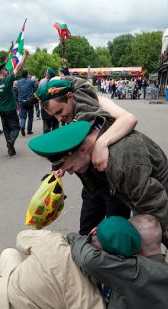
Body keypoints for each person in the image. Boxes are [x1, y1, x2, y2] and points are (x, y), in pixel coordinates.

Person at [29, 120, 168, 283]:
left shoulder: (123, 163)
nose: (71, 173)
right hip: (138, 197)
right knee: (134, 252)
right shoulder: (88, 144)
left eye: (71, 167)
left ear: (84, 149)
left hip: (166, 208)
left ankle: (155, 291)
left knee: (147, 255)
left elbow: (155, 203)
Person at [35, 78, 136, 234]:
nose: (59, 119)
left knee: (116, 234)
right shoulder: (68, 114)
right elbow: (68, 149)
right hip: (91, 186)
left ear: (70, 96)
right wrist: (60, 167)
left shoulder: (96, 103)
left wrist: (101, 142)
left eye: (60, 112)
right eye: (54, 115)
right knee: (86, 231)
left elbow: (129, 119)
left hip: (114, 186)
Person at [0, 49, 29, 157]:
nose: (5, 70)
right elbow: (18, 67)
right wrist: (25, 55)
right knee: (16, 128)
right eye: (4, 69)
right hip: (11, 109)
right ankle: (10, 142)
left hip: (2, 110)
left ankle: (10, 149)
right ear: (2, 72)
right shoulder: (7, 80)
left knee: (6, 129)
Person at [38, 68, 59, 134]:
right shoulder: (56, 81)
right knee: (54, 124)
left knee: (46, 125)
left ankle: (47, 139)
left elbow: (39, 92)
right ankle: (54, 138)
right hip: (53, 105)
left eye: (46, 72)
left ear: (48, 74)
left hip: (46, 106)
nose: (45, 73)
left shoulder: (42, 81)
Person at [16, 70, 36, 136]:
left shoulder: (18, 82)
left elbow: (16, 90)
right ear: (27, 75)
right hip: (29, 100)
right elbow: (35, 88)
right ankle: (29, 130)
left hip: (21, 101)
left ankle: (22, 127)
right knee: (30, 116)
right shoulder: (31, 81)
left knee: (22, 116)